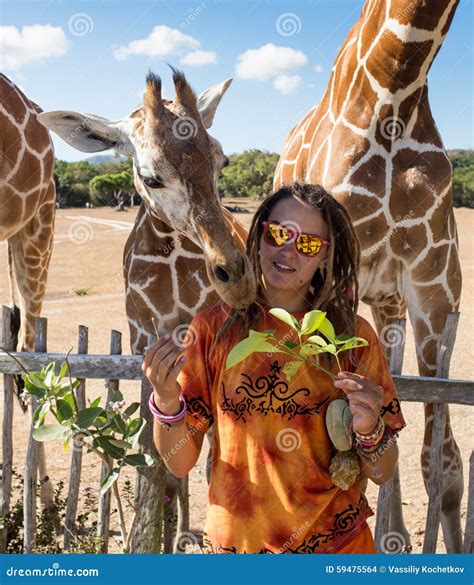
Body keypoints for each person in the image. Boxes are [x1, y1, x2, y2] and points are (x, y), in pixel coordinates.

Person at [142, 183, 406, 554]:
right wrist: (167, 401)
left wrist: (370, 428)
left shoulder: (351, 338)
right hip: (239, 548)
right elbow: (179, 462)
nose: (289, 251)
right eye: (280, 233)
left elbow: (383, 471)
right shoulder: (214, 330)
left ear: (325, 258)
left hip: (338, 549)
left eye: (309, 245)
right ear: (260, 233)